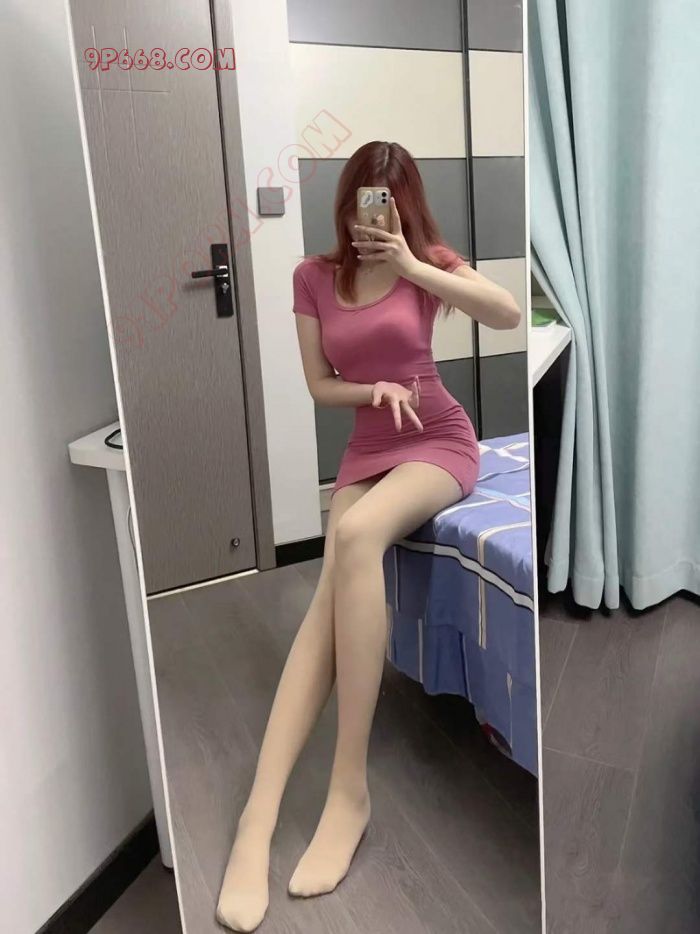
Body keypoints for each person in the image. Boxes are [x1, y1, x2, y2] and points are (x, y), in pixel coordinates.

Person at [216, 141, 521, 932]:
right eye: (363, 199)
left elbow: (507, 313)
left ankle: (348, 789)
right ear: (346, 201)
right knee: (325, 603)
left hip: (438, 439)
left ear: (405, 204)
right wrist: (372, 388)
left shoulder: (428, 264)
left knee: (354, 537)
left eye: (387, 200)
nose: (372, 216)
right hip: (368, 445)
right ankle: (258, 818)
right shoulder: (313, 277)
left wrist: (416, 265)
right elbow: (321, 386)